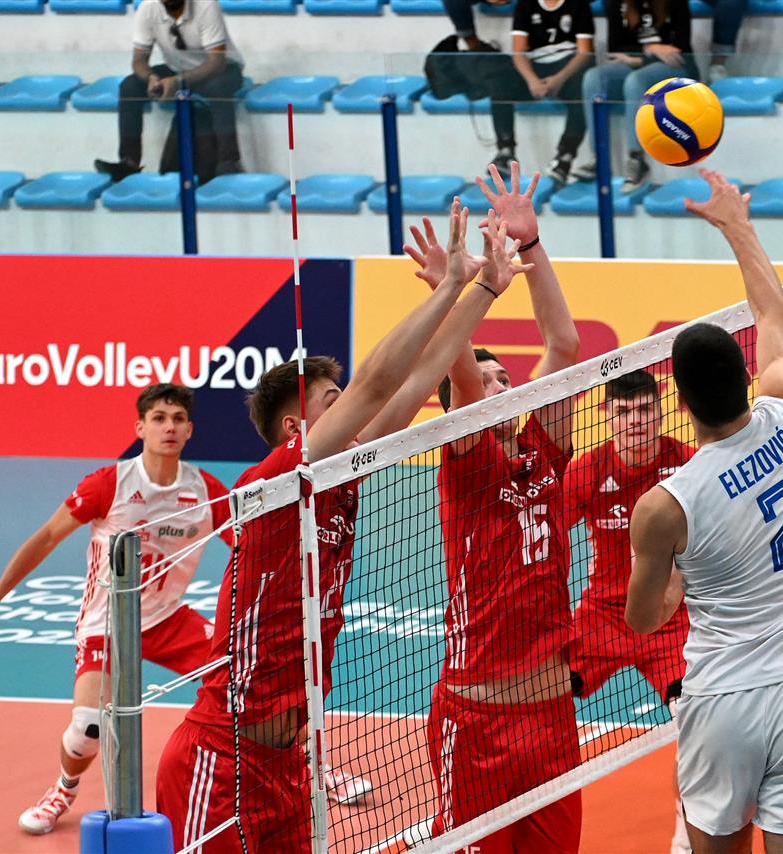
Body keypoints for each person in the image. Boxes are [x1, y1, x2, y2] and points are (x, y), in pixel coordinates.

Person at [155, 201, 529, 853]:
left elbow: (418, 379)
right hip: (222, 757)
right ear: (297, 431)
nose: (356, 411)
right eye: (335, 403)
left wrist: (484, 289)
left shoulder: (343, 475)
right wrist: (447, 286)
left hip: (287, 766)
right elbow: (379, 381)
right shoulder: (273, 484)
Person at [627, 170, 783, 854]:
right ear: (747, 379)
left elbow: (643, 619)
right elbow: (774, 319)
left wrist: (678, 581)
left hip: (724, 699)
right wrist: (738, 227)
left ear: (680, 404)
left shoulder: (664, 506)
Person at [0, 384, 232, 836]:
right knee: (87, 728)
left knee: (245, 683)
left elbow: (248, 544)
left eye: (178, 419)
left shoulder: (205, 491)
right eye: (159, 418)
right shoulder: (109, 485)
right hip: (107, 623)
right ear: (140, 428)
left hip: (168, 619)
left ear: (190, 430)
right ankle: (64, 788)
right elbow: (47, 537)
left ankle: (308, 763)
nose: (169, 427)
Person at [428, 163, 583, 852]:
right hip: (477, 723)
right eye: (487, 381)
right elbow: (460, 379)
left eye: (507, 379)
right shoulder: (467, 467)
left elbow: (564, 346)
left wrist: (532, 244)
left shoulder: (545, 454)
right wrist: (454, 292)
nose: (499, 387)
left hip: (552, 722)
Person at [561, 369, 695, 854]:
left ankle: (687, 832)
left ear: (660, 412)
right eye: (623, 412)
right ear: (607, 416)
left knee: (697, 723)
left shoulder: (687, 464)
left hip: (670, 619)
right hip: (602, 618)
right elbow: (548, 537)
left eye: (644, 409)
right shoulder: (587, 471)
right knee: (543, 698)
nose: (635, 420)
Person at [94, 0, 245, 182]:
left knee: (217, 88)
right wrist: (151, 78)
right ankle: (129, 163)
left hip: (221, 70)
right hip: (178, 68)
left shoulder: (206, 5)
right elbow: (139, 61)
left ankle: (228, 162)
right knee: (129, 86)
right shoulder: (147, 8)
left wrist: (178, 82)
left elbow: (216, 62)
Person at [577, 0, 699, 191]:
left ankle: (636, 159)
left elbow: (679, 49)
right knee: (594, 78)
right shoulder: (616, 3)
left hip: (675, 67)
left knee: (635, 81)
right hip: (636, 64)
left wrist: (637, 58)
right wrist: (651, 50)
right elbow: (615, 49)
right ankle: (598, 159)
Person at [485, 0, 595, 184]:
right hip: (535, 65)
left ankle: (565, 156)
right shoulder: (525, 4)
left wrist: (559, 79)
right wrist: (532, 81)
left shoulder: (579, 4)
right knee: (499, 80)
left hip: (567, 66)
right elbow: (518, 52)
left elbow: (584, 52)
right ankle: (505, 151)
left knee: (584, 86)